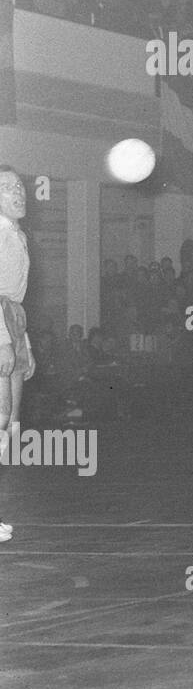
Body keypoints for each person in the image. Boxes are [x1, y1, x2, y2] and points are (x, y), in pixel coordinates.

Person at [0, 168, 35, 542]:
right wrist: (2, 340)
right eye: (7, 189)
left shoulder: (17, 234)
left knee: (10, 426)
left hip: (12, 323)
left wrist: (24, 342)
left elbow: (15, 299)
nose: (18, 193)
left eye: (20, 187)